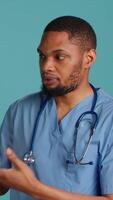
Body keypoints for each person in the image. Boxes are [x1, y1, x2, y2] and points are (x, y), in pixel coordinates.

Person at [0, 15, 113, 200]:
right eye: (42, 56)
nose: (46, 66)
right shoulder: (20, 111)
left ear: (89, 59)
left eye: (59, 57)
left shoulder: (108, 118)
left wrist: (35, 189)